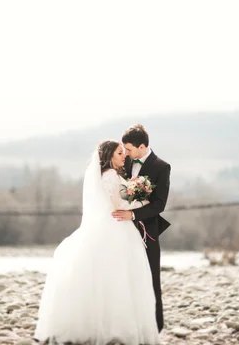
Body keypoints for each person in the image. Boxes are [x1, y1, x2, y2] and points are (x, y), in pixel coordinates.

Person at [34, 140, 161, 345]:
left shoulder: (114, 174)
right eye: (120, 153)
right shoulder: (110, 175)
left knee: (114, 274)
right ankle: (117, 327)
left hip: (116, 226)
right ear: (110, 156)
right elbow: (117, 204)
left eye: (123, 152)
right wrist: (141, 202)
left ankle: (110, 324)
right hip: (115, 227)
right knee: (118, 274)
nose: (124, 156)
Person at [112, 124, 171, 333]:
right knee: (125, 276)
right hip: (122, 230)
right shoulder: (124, 162)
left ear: (142, 146)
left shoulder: (162, 167)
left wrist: (134, 213)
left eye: (128, 149)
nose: (125, 153)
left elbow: (159, 204)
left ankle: (156, 326)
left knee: (151, 276)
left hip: (148, 231)